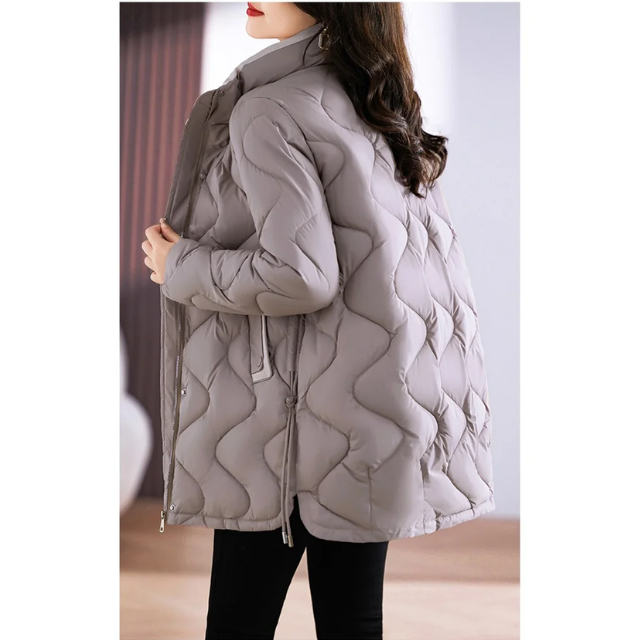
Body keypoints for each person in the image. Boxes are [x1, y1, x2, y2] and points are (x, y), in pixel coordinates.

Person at [141, 3, 495, 639]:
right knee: (353, 620)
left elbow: (301, 275)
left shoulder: (268, 110)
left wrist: (180, 265)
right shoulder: (373, 99)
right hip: (374, 410)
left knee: (237, 625)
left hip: (287, 433)